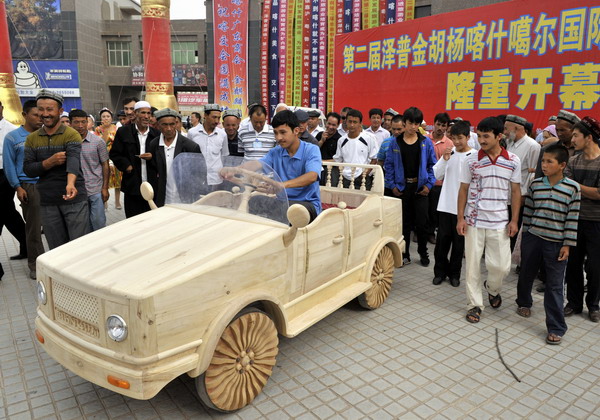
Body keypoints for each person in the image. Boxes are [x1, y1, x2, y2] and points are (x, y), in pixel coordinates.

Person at [457, 116, 521, 324]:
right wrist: (460, 218)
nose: (482, 140)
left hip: (500, 222)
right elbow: (463, 189)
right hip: (474, 221)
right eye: (479, 136)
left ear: (499, 136)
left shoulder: (513, 160)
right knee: (473, 267)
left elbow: (516, 191)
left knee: (502, 267)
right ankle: (474, 304)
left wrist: (514, 220)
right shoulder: (471, 160)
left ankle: (492, 288)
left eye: (486, 136)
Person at [515, 144, 580, 345]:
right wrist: (525, 237)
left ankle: (556, 327)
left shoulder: (573, 188)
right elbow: (529, 212)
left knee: (554, 285)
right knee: (526, 272)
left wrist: (567, 245)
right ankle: (524, 302)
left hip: (556, 243)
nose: (544, 165)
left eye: (549, 161)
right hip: (533, 237)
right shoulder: (536, 185)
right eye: (543, 161)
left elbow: (572, 219)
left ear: (562, 165)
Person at [222, 110, 322, 222]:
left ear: (296, 131)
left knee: (290, 210)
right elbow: (257, 164)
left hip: (306, 205)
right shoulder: (276, 152)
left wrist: (282, 185)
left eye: (283, 132)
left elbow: (312, 176)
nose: (278, 138)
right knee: (255, 201)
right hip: (283, 203)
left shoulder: (311, 149)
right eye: (275, 133)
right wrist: (234, 170)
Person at [23, 90, 89, 250]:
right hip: (47, 201)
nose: (45, 114)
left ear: (60, 111)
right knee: (57, 250)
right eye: (41, 109)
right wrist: (49, 162)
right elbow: (29, 169)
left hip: (74, 199)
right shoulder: (32, 139)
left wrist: (70, 184)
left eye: (49, 109)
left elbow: (73, 160)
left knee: (79, 247)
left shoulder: (71, 134)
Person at [384, 107, 436, 266]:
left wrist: (429, 184)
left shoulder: (425, 142)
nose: (413, 126)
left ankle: (423, 252)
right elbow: (389, 165)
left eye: (417, 123)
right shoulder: (395, 142)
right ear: (404, 123)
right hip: (402, 188)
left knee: (422, 223)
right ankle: (404, 253)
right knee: (404, 223)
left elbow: (432, 165)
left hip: (420, 188)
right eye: (411, 123)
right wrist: (392, 185)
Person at [563, 117, 600, 323]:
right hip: (574, 220)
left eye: (576, 135)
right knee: (573, 264)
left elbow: (599, 194)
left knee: (595, 267)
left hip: (596, 222)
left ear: (589, 137)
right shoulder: (573, 161)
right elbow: (567, 189)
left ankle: (593, 305)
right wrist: (582, 189)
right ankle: (574, 303)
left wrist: (576, 186)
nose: (573, 138)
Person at [3, 100, 44, 279]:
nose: (40, 118)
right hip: (29, 186)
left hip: (49, 185)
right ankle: (35, 264)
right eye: (36, 115)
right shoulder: (12, 137)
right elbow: (9, 165)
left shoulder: (46, 135)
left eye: (42, 115)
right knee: (33, 229)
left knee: (53, 226)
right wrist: (18, 187)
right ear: (25, 115)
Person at [432, 121, 473, 287]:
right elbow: (436, 173)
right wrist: (444, 158)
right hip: (445, 205)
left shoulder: (475, 156)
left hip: (464, 209)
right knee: (442, 242)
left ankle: (454, 274)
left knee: (459, 244)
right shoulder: (450, 153)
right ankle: (439, 272)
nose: (456, 142)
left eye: (460, 138)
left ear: (468, 137)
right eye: (453, 138)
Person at [109, 101, 160, 218]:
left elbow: (161, 157)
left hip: (152, 186)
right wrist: (126, 165)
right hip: (132, 185)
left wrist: (152, 158)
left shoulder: (156, 134)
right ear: (136, 114)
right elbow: (115, 153)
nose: (146, 116)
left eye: (149, 113)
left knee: (153, 219)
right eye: (143, 113)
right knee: (133, 220)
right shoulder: (123, 132)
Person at [147, 108, 201, 207]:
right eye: (165, 125)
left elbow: (198, 174)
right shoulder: (154, 144)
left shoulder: (190, 146)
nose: (169, 128)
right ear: (158, 126)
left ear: (177, 124)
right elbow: (153, 171)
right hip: (163, 197)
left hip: (184, 199)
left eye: (172, 124)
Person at [504, 114, 541, 251]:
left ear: (516, 128)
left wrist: (525, 194)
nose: (505, 132)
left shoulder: (532, 146)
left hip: (521, 195)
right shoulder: (509, 143)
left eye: (506, 129)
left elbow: (533, 173)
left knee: (517, 226)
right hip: (507, 193)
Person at [70, 109, 110, 231]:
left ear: (88, 122)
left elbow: (105, 165)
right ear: (70, 123)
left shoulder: (98, 142)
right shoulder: (67, 142)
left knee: (98, 224)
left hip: (95, 189)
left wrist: (105, 188)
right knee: (82, 227)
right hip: (77, 191)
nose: (81, 125)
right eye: (76, 122)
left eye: (83, 122)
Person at [0, 100, 27, 262]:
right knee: (8, 213)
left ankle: (27, 245)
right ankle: (26, 245)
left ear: (2, 108)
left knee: (4, 209)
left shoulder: (11, 130)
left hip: (5, 174)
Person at [333, 108, 379, 190]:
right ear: (346, 122)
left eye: (355, 122)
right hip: (345, 179)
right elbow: (338, 160)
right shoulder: (341, 140)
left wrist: (364, 173)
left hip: (362, 179)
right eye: (349, 121)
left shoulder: (369, 138)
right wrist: (343, 173)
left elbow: (374, 158)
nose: (352, 125)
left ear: (360, 123)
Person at [187, 104, 229, 185]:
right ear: (205, 115)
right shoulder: (192, 133)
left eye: (218, 118)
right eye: (214, 117)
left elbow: (224, 156)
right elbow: (188, 156)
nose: (217, 121)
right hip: (196, 179)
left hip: (216, 179)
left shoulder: (222, 135)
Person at [427, 112, 453, 245]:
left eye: (443, 125)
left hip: (439, 183)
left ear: (447, 127)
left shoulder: (450, 144)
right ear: (434, 123)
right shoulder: (425, 139)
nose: (440, 128)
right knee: (424, 209)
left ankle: (431, 233)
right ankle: (421, 232)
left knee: (434, 210)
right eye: (438, 124)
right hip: (425, 181)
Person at [535, 110, 580, 178]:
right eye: (557, 130)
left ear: (574, 130)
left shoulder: (584, 150)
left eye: (562, 130)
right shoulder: (547, 149)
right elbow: (539, 176)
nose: (559, 133)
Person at [95, 108, 121, 209]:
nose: (106, 118)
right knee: (104, 179)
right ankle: (104, 202)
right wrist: (105, 130)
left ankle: (117, 202)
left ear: (111, 117)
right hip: (102, 157)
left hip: (115, 156)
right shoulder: (98, 129)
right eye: (103, 116)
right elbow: (101, 143)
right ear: (100, 118)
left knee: (117, 180)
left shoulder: (117, 128)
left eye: (108, 116)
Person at [316, 112, 341, 185]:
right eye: (329, 124)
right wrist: (321, 141)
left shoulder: (339, 139)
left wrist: (323, 161)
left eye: (333, 125)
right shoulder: (319, 135)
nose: (330, 127)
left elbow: (338, 159)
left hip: (331, 171)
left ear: (338, 126)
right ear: (326, 122)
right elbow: (313, 150)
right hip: (318, 169)